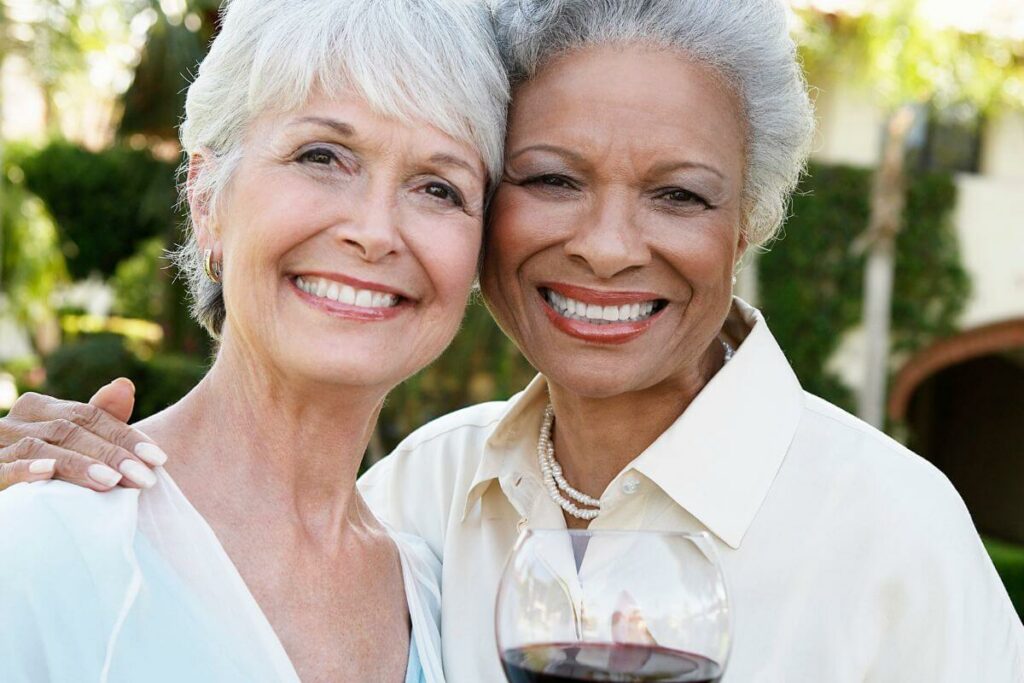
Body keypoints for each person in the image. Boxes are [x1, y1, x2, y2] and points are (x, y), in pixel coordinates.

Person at [3, 0, 1022, 681]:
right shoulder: (430, 497)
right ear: (207, 195)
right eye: (551, 178)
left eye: (677, 194)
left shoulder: (895, 537)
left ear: (747, 223)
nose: (609, 246)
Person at [0, 0, 507, 681]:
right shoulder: (39, 546)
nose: (376, 230)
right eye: (322, 156)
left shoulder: (456, 603)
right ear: (207, 198)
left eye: (439, 188)